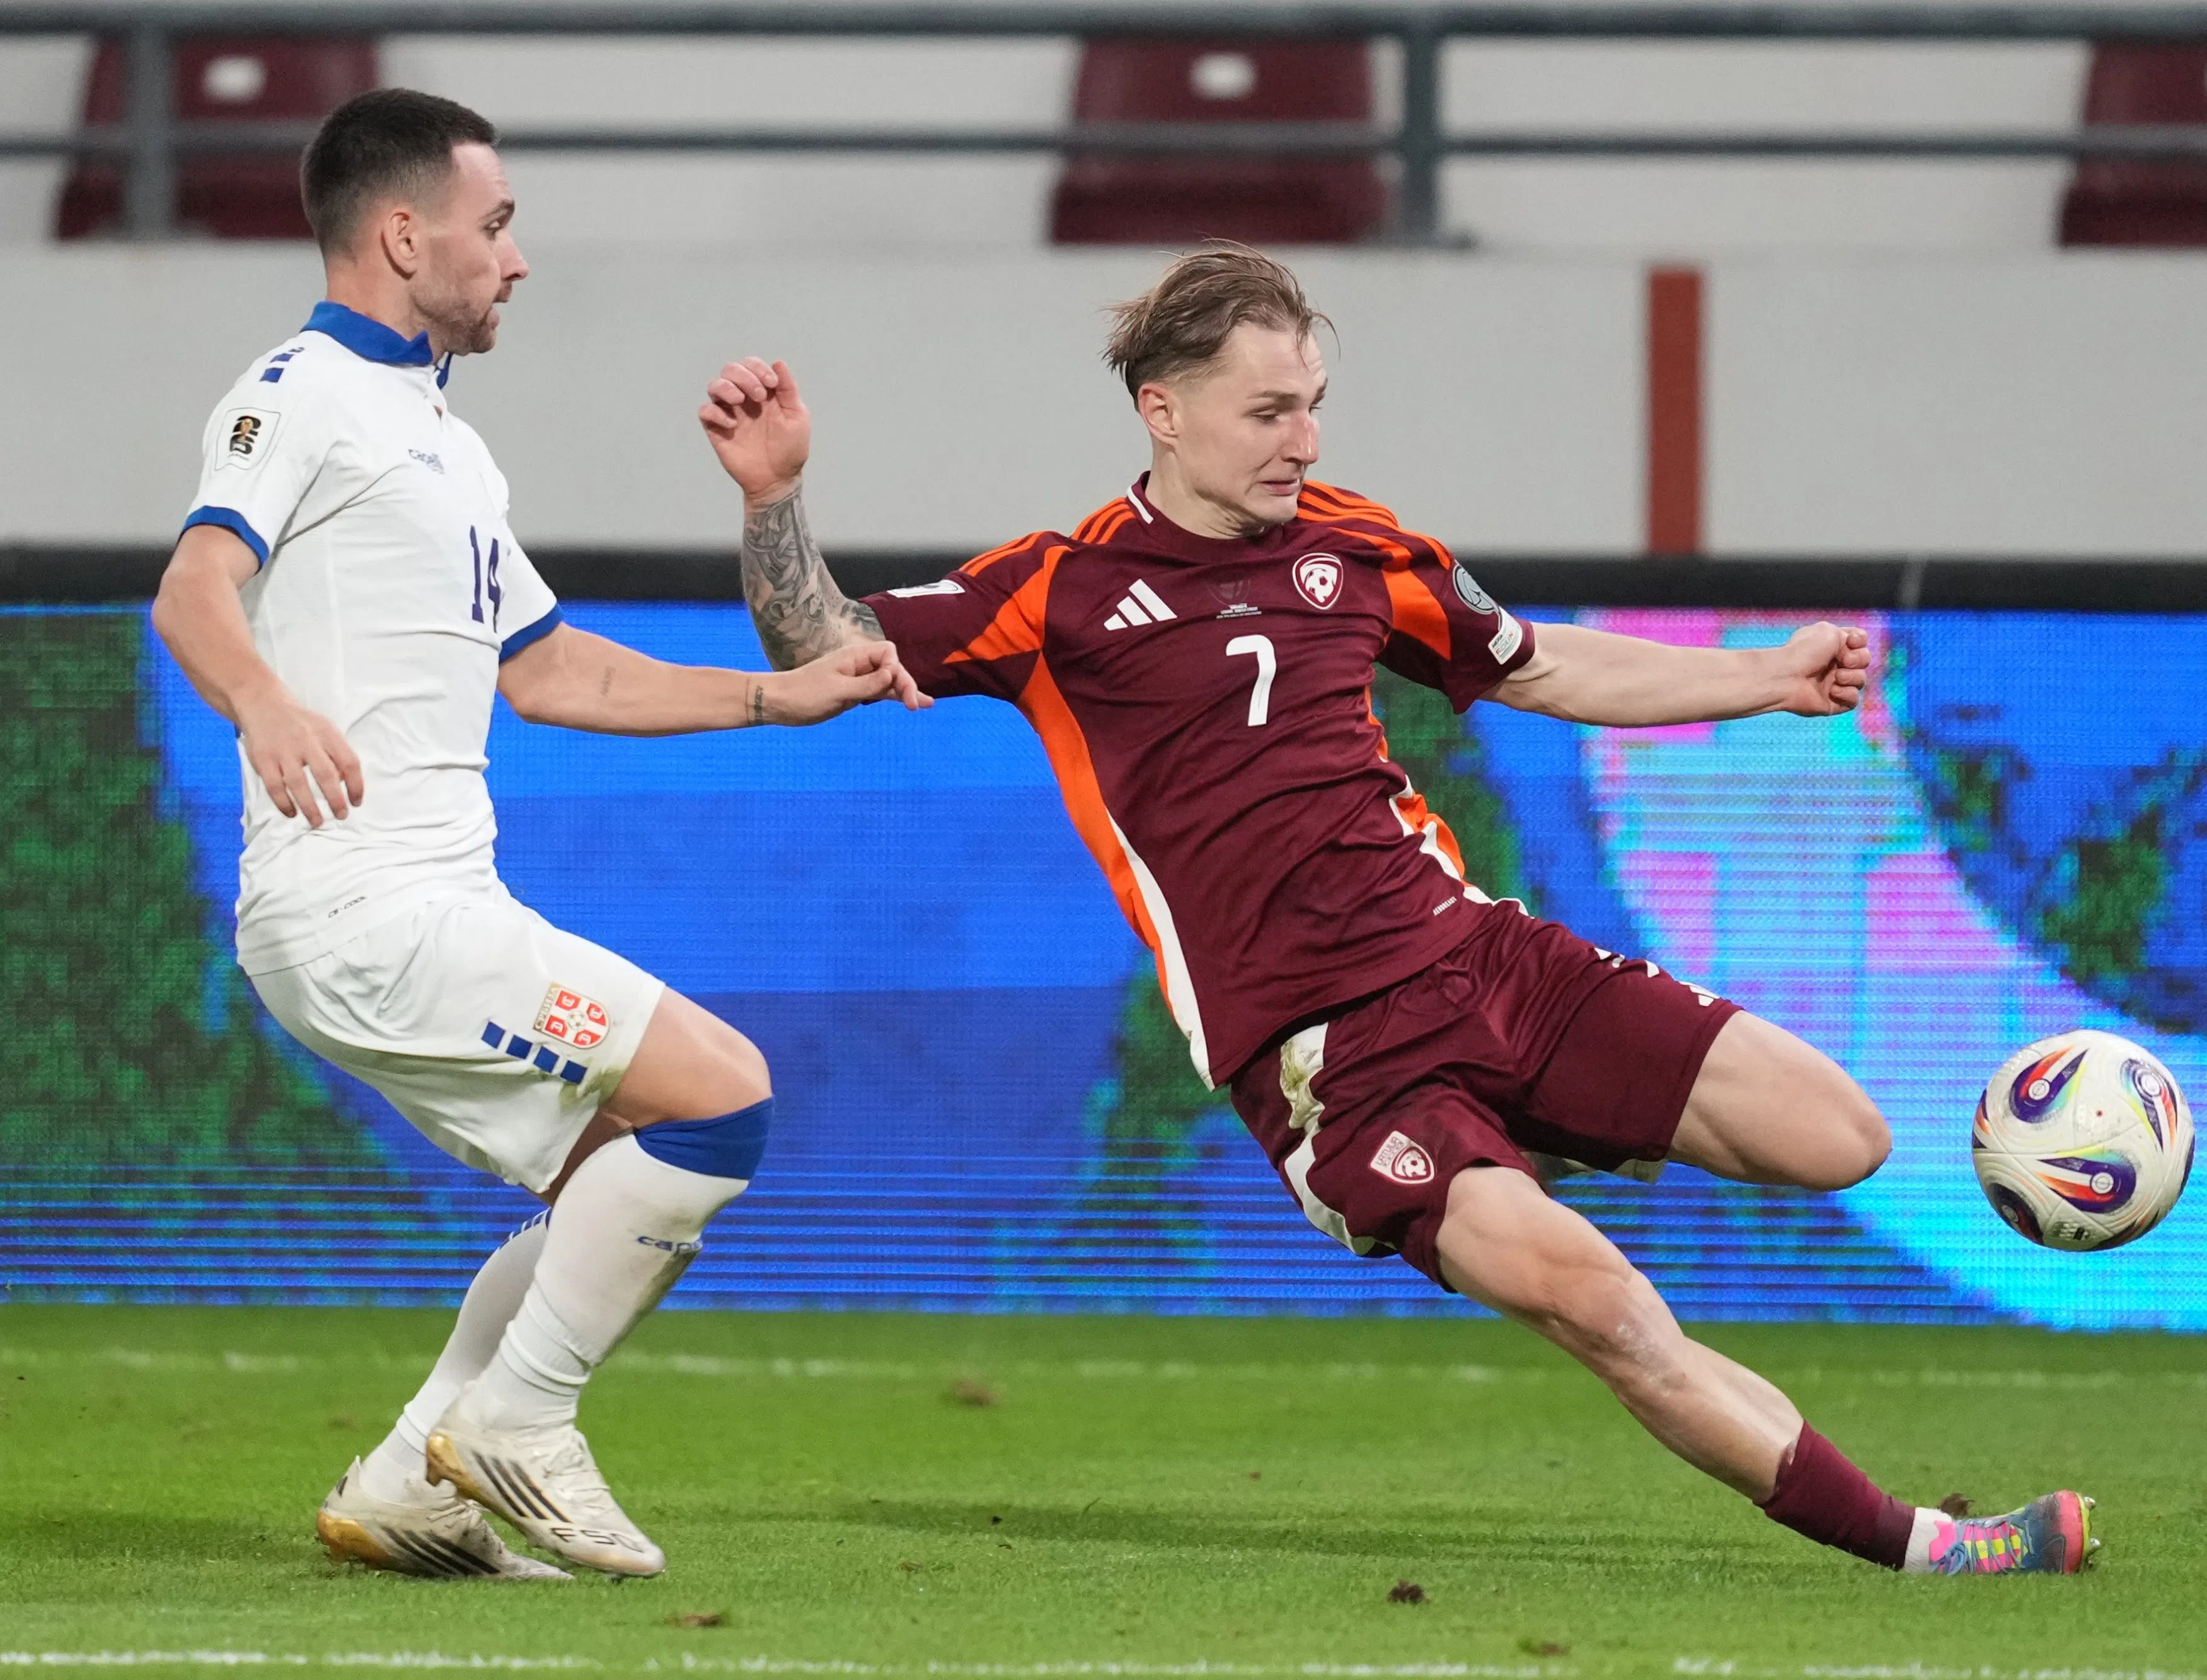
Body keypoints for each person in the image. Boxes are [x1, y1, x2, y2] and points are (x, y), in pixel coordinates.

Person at [696, 245, 2092, 1577]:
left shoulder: (1360, 545)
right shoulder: (1057, 592)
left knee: (1839, 1136)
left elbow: (1535, 667)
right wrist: (774, 499)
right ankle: (1925, 1545)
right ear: (1162, 411)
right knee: (1599, 1303)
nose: (1300, 440)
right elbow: (821, 646)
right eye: (1267, 411)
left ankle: (1540, 1119)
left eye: (1310, 406)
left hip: (1485, 960)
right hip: (1331, 1062)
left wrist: (1763, 676)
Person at [154, 88, 925, 1581]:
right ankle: (521, 1418)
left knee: (614, 1181)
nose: (516, 258)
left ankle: (407, 1479)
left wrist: (776, 694)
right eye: (494, 225)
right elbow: (194, 585)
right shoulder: (297, 389)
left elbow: (557, 674)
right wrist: (262, 705)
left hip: (411, 903)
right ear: (400, 233)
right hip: (362, 904)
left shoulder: (446, 445)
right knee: (722, 1096)